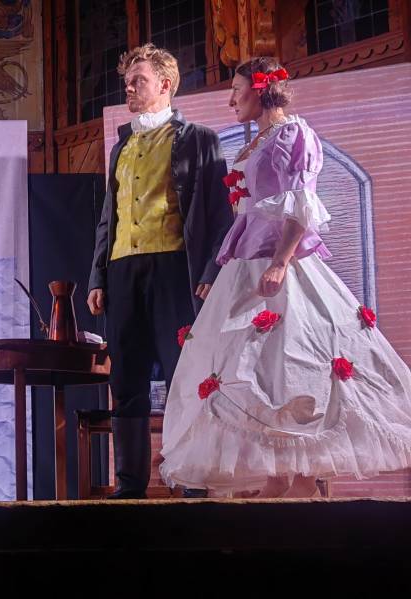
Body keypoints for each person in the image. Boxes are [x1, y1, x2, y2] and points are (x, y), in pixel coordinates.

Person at [160, 57, 411, 498]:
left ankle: (300, 478)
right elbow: (248, 209)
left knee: (294, 360)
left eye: (237, 88)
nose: (231, 99)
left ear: (261, 89)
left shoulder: (294, 135)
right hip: (246, 263)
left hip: (281, 263)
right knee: (258, 366)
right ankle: (279, 475)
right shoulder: (258, 141)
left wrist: (280, 262)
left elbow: (300, 206)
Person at [87, 44, 233, 499]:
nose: (129, 88)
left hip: (174, 269)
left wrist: (210, 270)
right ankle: (130, 484)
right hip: (123, 271)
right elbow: (109, 218)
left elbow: (220, 215)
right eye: (127, 82)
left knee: (183, 376)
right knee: (125, 380)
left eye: (139, 81)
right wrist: (97, 276)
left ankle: (191, 477)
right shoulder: (121, 145)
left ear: (165, 84)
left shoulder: (198, 139)